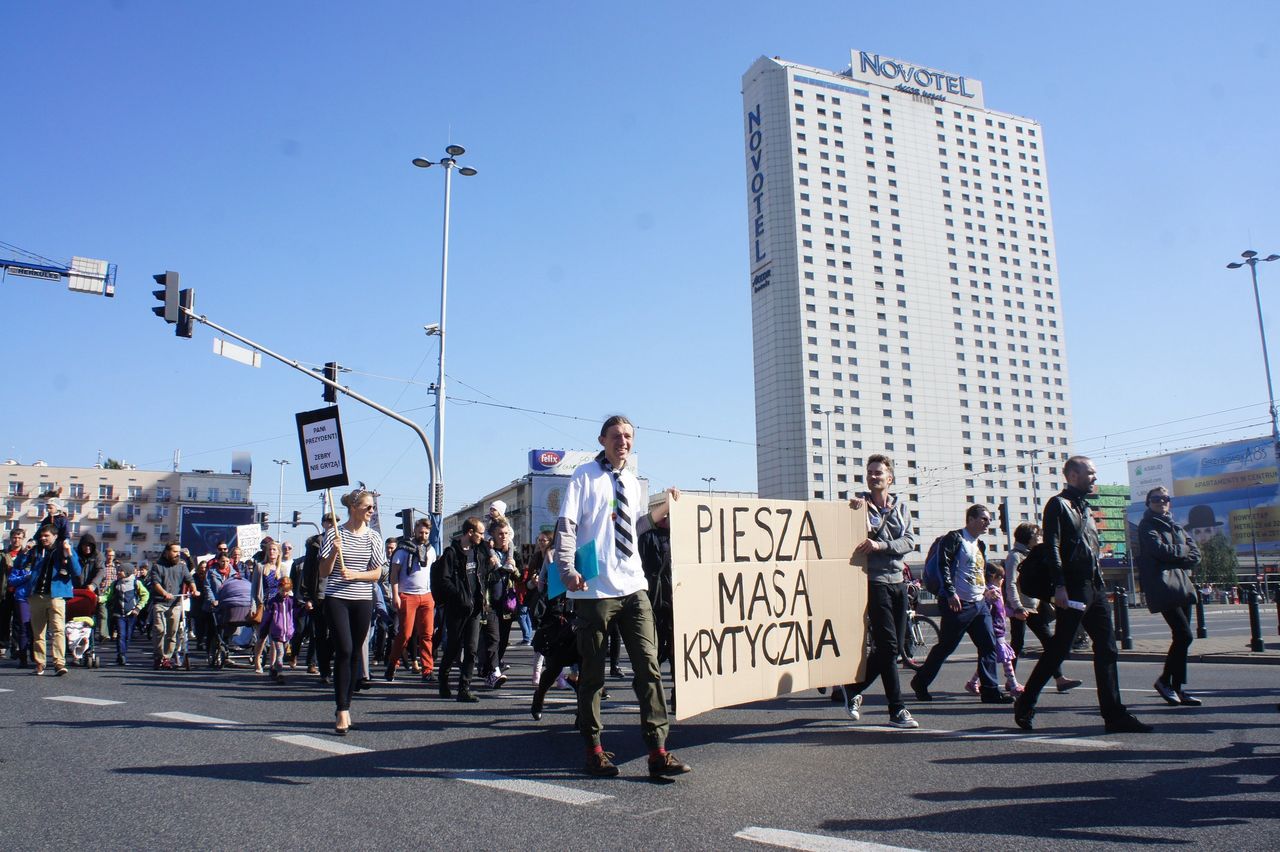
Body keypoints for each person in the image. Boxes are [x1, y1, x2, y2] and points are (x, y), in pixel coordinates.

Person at [555, 415, 691, 780]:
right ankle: (594, 750)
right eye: (616, 436)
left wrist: (667, 506)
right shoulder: (584, 476)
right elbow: (566, 526)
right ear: (602, 440)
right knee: (594, 674)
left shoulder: (632, 482)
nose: (624, 441)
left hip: (634, 587)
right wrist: (566, 569)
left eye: (629, 436)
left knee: (648, 667)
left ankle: (658, 751)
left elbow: (638, 526)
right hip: (595, 590)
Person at [1015, 456, 1151, 734]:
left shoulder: (1085, 507)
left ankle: (1114, 715)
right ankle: (1026, 701)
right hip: (1074, 588)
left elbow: (1090, 548)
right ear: (1073, 474)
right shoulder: (1058, 504)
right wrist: (1060, 586)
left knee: (1108, 648)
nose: (1095, 478)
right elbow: (1052, 546)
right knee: (1059, 649)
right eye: (1090, 473)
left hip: (1095, 587)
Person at [839, 454, 919, 728]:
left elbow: (909, 541)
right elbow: (846, 531)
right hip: (873, 582)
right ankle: (897, 708)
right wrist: (852, 511)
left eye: (879, 472)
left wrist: (881, 546)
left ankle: (852, 689)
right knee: (887, 645)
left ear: (890, 478)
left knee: (892, 649)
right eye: (870, 472)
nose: (874, 476)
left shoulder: (901, 508)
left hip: (898, 581)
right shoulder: (859, 506)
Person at [909, 505, 1010, 705]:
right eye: (984, 519)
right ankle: (920, 682)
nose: (988, 523)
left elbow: (977, 572)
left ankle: (990, 691)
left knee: (988, 645)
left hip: (979, 603)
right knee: (946, 646)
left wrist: (986, 590)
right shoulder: (955, 538)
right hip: (958, 604)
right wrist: (950, 592)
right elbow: (942, 565)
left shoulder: (979, 545)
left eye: (989, 520)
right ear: (970, 519)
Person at [320, 488, 386, 735]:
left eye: (373, 507)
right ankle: (341, 708)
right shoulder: (333, 534)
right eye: (368, 507)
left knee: (357, 652)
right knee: (344, 650)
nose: (372, 511)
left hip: (362, 598)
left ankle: (346, 707)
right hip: (337, 597)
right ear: (353, 508)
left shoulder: (374, 537)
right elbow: (324, 572)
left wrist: (356, 574)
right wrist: (335, 551)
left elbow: (377, 573)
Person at [1137, 486, 1203, 707]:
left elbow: (1196, 554)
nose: (1161, 502)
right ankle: (1164, 681)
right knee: (1184, 636)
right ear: (1148, 503)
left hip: (1182, 585)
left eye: (1165, 498)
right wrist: (1180, 552)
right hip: (1163, 586)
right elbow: (1159, 551)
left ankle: (1177, 688)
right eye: (1156, 499)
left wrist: (1177, 553)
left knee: (1181, 639)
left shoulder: (1176, 526)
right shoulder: (1147, 525)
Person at [1003, 523, 1081, 694]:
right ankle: (1012, 680)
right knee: (1023, 643)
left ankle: (1058, 679)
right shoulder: (1015, 557)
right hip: (1022, 608)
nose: (1038, 539)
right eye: (1036, 536)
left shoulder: (1030, 555)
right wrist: (1016, 607)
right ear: (1029, 537)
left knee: (1041, 642)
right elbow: (1010, 583)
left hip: (1034, 606)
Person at [432, 516, 492, 702]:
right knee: (453, 648)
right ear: (470, 532)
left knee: (472, 649)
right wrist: (459, 596)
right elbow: (444, 580)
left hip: (474, 610)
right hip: (457, 609)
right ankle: (443, 678)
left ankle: (464, 688)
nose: (483, 536)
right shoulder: (452, 553)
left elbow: (482, 576)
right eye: (480, 533)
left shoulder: (478, 552)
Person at [17, 520, 82, 676]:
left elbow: (77, 571)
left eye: (46, 536)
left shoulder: (63, 550)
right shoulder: (36, 550)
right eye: (41, 536)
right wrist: (25, 551)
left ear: (55, 536)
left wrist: (69, 552)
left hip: (56, 596)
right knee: (38, 632)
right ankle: (40, 663)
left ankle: (59, 663)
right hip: (36, 595)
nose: (43, 539)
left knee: (58, 630)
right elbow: (19, 565)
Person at [385, 517, 436, 683]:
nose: (423, 535)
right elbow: (393, 574)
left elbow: (432, 573)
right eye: (421, 532)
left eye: (426, 532)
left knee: (427, 635)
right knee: (405, 634)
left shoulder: (431, 550)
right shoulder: (402, 550)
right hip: (407, 595)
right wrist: (395, 595)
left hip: (427, 595)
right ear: (414, 531)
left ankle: (427, 670)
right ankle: (392, 664)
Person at [638, 506, 676, 712]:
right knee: (656, 651)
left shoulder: (680, 537)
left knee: (676, 651)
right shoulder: (648, 537)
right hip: (656, 599)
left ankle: (677, 693)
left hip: (671, 599)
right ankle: (654, 696)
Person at [965, 564, 1021, 695]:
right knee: (1005, 659)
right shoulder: (991, 592)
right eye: (1001, 577)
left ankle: (972, 683)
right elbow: (990, 610)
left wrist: (1013, 613)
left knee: (989, 659)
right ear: (994, 577)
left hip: (998, 629)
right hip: (995, 630)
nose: (1003, 580)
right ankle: (1013, 685)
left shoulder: (996, 591)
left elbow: (1002, 610)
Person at [480, 518, 520, 688]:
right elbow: (480, 576)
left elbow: (518, 577)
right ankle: (494, 672)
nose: (503, 537)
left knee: (503, 641)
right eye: (500, 534)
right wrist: (491, 566)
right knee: (493, 639)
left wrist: (514, 567)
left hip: (507, 604)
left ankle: (490, 668)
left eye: (506, 534)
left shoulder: (512, 554)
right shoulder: (486, 553)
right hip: (490, 604)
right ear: (493, 536)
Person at [149, 541, 195, 669]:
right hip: (160, 602)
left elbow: (189, 579)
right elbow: (155, 583)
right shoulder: (157, 566)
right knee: (160, 630)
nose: (177, 554)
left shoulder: (181, 566)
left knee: (172, 632)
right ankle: (159, 655)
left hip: (175, 603)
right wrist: (164, 593)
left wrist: (194, 590)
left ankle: (167, 658)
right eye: (174, 551)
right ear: (167, 552)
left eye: (178, 552)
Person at [251, 540, 288, 673]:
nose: (272, 552)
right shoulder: (261, 567)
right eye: (270, 550)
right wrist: (253, 605)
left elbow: (286, 587)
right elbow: (254, 588)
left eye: (274, 550)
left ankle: (272, 665)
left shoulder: (282, 569)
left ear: (278, 553)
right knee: (262, 637)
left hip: (277, 606)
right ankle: (257, 661)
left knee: (275, 638)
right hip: (264, 604)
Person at [104, 562, 148, 665]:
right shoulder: (115, 584)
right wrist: (99, 599)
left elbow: (145, 595)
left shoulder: (135, 583)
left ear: (127, 572)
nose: (118, 572)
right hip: (119, 614)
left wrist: (138, 608)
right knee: (121, 634)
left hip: (131, 614)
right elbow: (108, 595)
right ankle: (121, 654)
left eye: (121, 571)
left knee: (128, 635)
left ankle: (123, 651)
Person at [260, 576, 296, 684]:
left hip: (288, 632)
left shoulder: (292, 601)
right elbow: (267, 618)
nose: (284, 593)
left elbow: (298, 613)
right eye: (282, 590)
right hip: (276, 632)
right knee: (280, 652)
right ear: (278, 588)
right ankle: (280, 673)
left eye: (287, 590)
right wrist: (263, 631)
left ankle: (274, 669)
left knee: (286, 653)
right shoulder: (273, 602)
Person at [0, 527, 26, 661]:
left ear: (23, 539)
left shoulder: (26, 554)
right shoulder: (4, 553)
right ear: (10, 538)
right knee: (3, 619)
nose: (16, 540)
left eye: (19, 537)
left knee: (18, 621)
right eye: (14, 537)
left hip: (20, 592)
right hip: (5, 591)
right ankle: (2, 646)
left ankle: (16, 647)